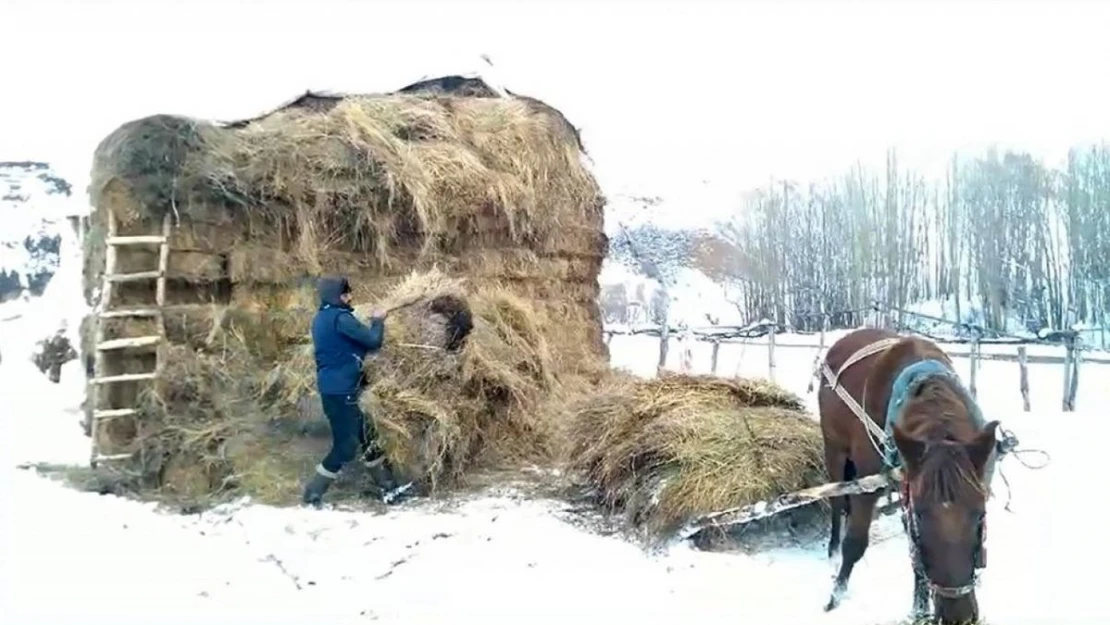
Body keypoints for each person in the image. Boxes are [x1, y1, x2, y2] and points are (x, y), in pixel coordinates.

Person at [301, 275, 400, 507]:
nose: (350, 297)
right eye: (346, 294)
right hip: (342, 390)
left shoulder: (320, 318)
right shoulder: (342, 319)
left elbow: (345, 347)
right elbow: (373, 341)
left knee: (368, 436)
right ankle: (313, 492)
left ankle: (389, 487)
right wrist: (378, 320)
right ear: (338, 296)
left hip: (334, 389)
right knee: (345, 446)